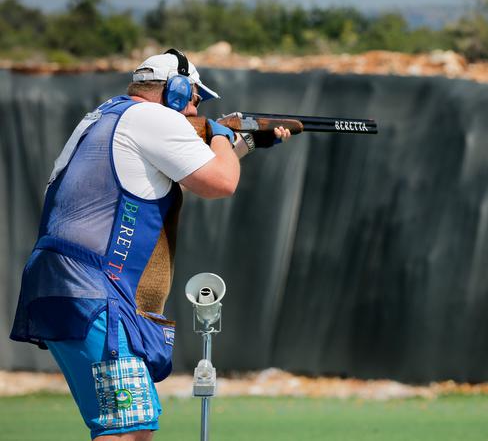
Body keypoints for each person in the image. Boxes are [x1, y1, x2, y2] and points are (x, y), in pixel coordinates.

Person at [9, 48, 290, 440]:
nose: (195, 111)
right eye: (194, 98)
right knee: (126, 429)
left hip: (73, 288)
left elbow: (176, 170)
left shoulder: (109, 116)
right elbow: (221, 182)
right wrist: (224, 137)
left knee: (133, 427)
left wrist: (245, 145)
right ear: (175, 91)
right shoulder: (153, 118)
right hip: (94, 293)